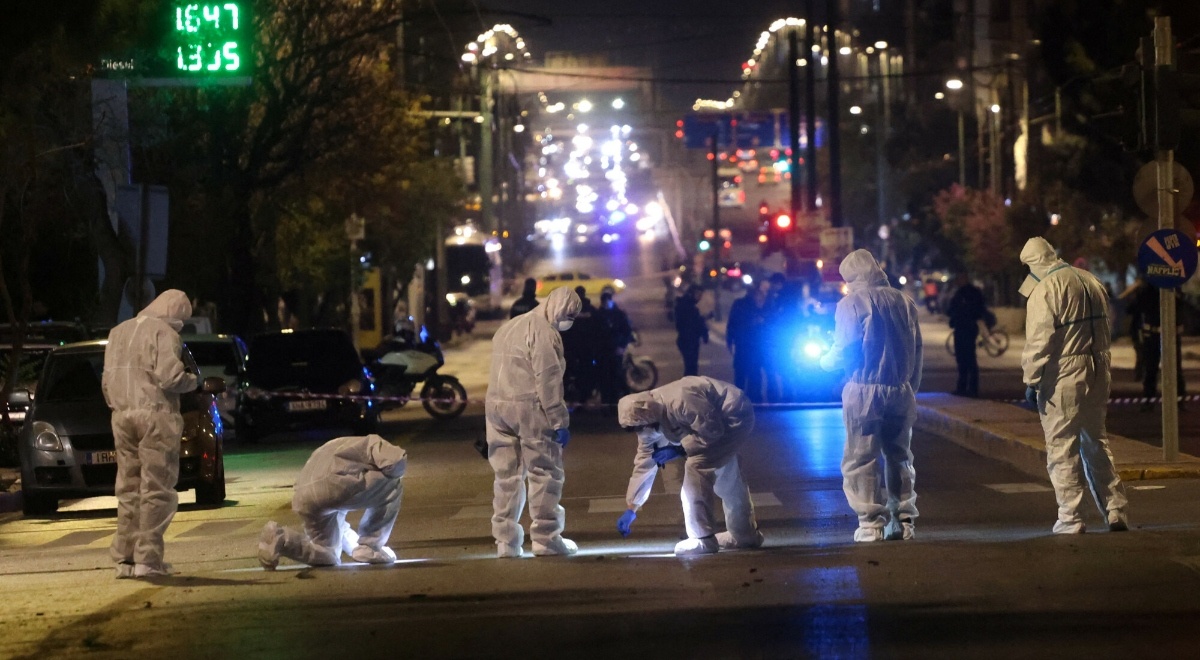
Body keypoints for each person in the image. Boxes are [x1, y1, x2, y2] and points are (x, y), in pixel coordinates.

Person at [1019, 237, 1128, 534]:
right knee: (1096, 441)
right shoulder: (1091, 280)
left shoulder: (1046, 289)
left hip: (1065, 373)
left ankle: (1071, 518)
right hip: (1098, 367)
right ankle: (1115, 509)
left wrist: (1032, 378)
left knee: (1061, 445)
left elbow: (1040, 340)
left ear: (1034, 262)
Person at [820, 250, 923, 543]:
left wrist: (824, 363)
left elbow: (846, 348)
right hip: (900, 389)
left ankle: (870, 524)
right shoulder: (904, 302)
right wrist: (909, 388)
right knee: (900, 456)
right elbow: (917, 351)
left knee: (861, 457)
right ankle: (903, 522)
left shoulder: (851, 304)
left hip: (864, 390)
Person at [102, 289, 199, 578]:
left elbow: (107, 383)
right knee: (157, 488)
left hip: (121, 416)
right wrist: (194, 381)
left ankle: (125, 559)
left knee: (128, 488)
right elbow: (171, 378)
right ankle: (148, 559)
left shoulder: (117, 332)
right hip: (156, 416)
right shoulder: (164, 333)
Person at [615, 376, 762, 556]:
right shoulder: (648, 419)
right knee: (728, 474)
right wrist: (632, 507)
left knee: (696, 467)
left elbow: (712, 431)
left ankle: (703, 538)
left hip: (733, 415)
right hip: (721, 422)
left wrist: (679, 450)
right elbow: (645, 462)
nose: (642, 433)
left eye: (642, 427)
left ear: (649, 416)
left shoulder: (680, 400)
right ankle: (744, 534)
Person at [485, 286, 582, 558]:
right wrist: (559, 421)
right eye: (570, 314)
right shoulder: (543, 332)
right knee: (545, 473)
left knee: (507, 477)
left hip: (497, 407)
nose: (569, 320)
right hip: (530, 409)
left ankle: (506, 543)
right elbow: (548, 380)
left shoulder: (510, 327)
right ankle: (546, 539)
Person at [258, 434, 407, 569]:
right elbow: (396, 461)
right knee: (394, 484)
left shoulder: (334, 444)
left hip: (304, 497)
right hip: (333, 487)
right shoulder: (374, 442)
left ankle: (282, 538)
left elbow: (339, 523)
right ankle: (370, 546)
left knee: (328, 555)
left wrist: (355, 547)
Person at [1126, 277, 1187, 411]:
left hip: (1168, 334)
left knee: (1173, 369)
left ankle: (1178, 400)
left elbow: (1182, 305)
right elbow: (1133, 308)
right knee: (1151, 369)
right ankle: (1150, 400)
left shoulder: (1173, 288)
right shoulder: (1149, 289)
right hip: (1154, 334)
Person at [726, 280, 770, 402]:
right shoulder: (749, 306)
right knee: (749, 373)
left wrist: (730, 341)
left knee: (746, 373)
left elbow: (731, 325)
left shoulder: (744, 304)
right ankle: (751, 398)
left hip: (747, 344)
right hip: (749, 344)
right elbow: (734, 324)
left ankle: (745, 398)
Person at [561, 286, 605, 403]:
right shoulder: (591, 310)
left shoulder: (568, 311)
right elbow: (599, 329)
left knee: (570, 372)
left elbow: (563, 330)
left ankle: (572, 397)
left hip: (572, 349)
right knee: (587, 372)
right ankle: (585, 396)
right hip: (588, 349)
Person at [946, 272, 987, 397]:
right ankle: (965, 387)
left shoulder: (967, 293)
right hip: (963, 327)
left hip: (966, 328)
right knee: (963, 358)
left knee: (967, 358)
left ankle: (969, 388)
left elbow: (954, 309)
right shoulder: (963, 292)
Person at [596, 290, 634, 406]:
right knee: (605, 379)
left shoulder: (619, 315)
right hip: (603, 353)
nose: (607, 304)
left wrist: (622, 346)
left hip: (616, 352)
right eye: (605, 301)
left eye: (608, 301)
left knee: (617, 377)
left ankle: (617, 403)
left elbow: (627, 331)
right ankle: (607, 404)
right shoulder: (599, 315)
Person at [674, 285, 709, 377]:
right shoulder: (689, 307)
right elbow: (695, 323)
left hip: (687, 340)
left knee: (690, 367)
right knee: (691, 368)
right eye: (698, 294)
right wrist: (704, 333)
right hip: (689, 341)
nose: (700, 297)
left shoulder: (685, 305)